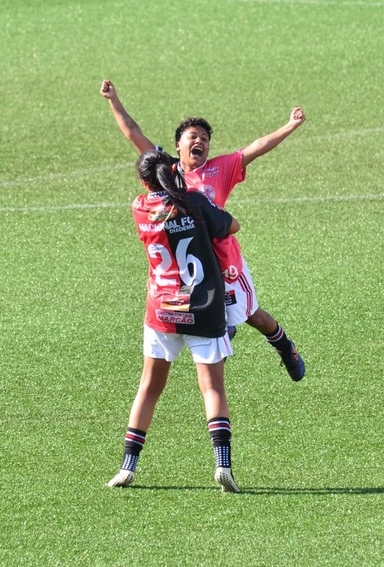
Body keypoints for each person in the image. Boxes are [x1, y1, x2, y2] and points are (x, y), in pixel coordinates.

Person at [100, 80, 306, 381]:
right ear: (178, 146)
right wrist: (113, 100)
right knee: (206, 315)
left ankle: (285, 346)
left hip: (224, 261)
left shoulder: (220, 169)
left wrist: (289, 126)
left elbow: (255, 148)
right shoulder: (167, 171)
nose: (201, 141)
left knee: (252, 316)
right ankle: (222, 326)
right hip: (191, 266)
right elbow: (134, 133)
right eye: (193, 136)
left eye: (205, 138)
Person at [107, 150, 242, 493]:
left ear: (143, 181)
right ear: (174, 172)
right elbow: (232, 225)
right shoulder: (194, 202)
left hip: (162, 309)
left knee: (149, 388)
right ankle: (222, 464)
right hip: (204, 307)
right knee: (212, 388)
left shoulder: (140, 207)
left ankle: (127, 467)